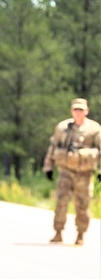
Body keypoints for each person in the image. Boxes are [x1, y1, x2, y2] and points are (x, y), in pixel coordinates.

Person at [43, 99, 100, 244]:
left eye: (81, 110)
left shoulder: (94, 129)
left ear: (86, 111)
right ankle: (58, 232)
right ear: (71, 111)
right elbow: (53, 147)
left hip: (84, 173)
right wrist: (48, 167)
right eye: (76, 109)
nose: (78, 112)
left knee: (82, 205)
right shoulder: (63, 128)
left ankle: (80, 234)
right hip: (65, 171)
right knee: (61, 202)